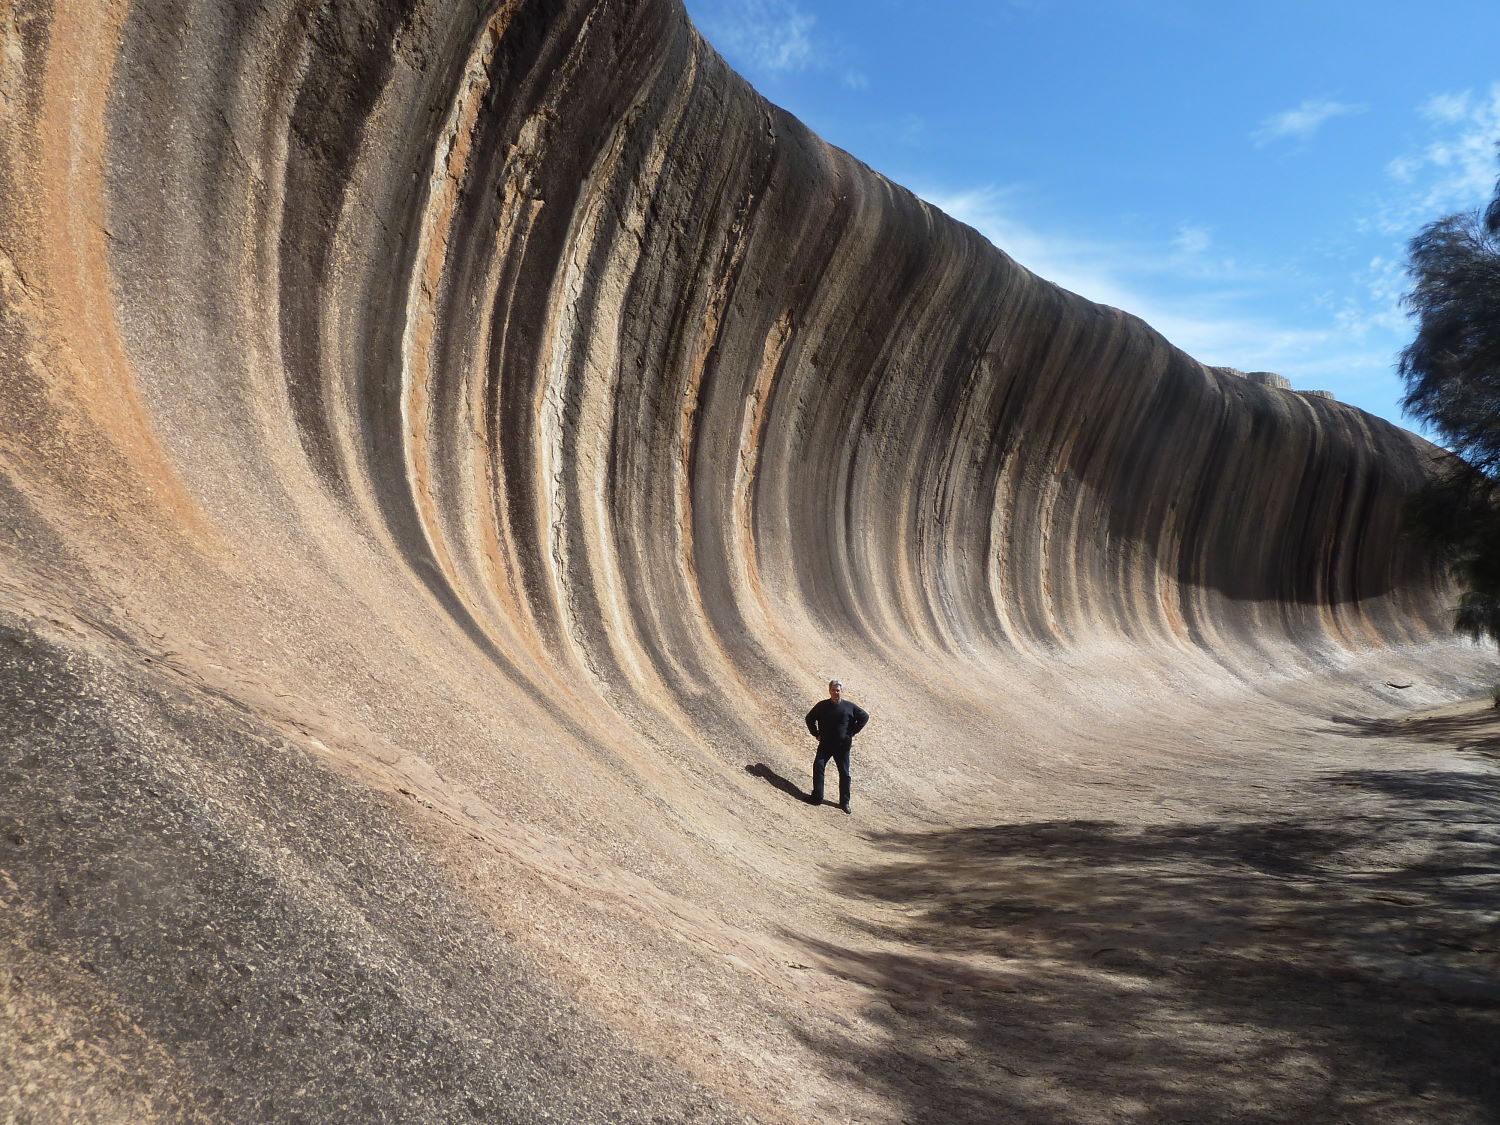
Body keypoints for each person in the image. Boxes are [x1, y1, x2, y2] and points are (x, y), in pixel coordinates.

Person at [804, 679, 869, 814]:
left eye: (838, 690)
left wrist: (852, 732)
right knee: (818, 766)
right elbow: (809, 718)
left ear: (842, 692)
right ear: (829, 691)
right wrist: (815, 733)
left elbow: (864, 717)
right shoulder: (822, 706)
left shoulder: (849, 707)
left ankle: (845, 802)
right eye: (833, 690)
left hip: (842, 746)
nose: (836, 693)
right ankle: (817, 797)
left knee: (844, 774)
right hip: (825, 744)